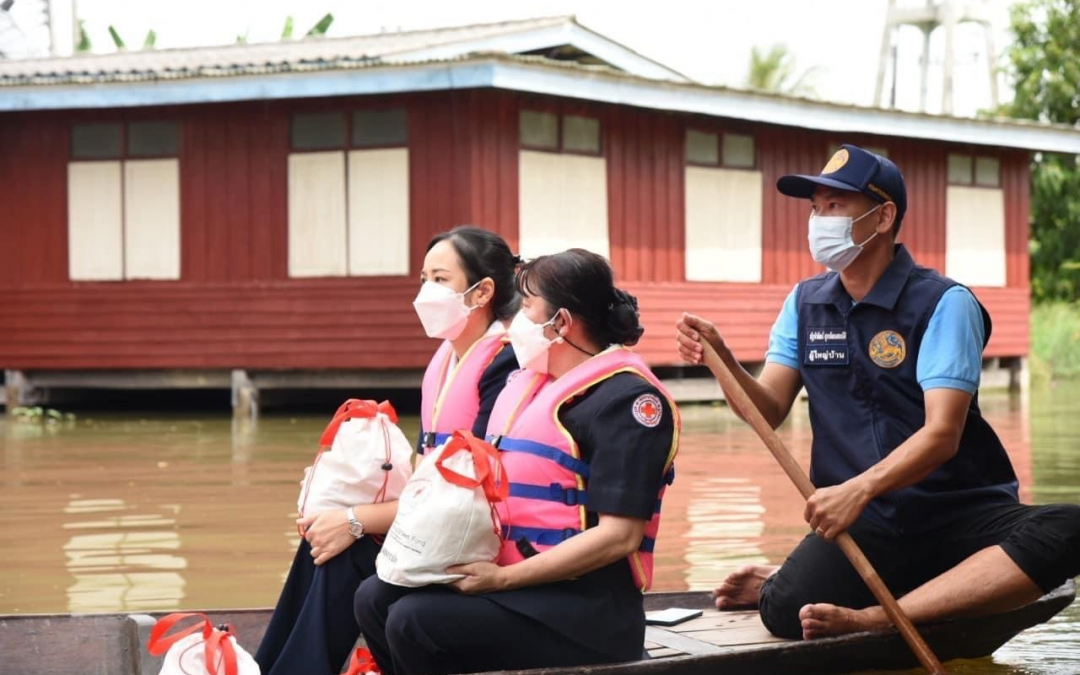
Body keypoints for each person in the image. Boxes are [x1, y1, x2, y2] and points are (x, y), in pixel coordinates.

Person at [676, 144, 1080, 641]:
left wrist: (858, 488)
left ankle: (880, 616)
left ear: (883, 216)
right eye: (816, 208)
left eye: (837, 206)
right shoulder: (804, 304)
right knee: (783, 612)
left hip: (956, 512)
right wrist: (722, 360)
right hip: (865, 524)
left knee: (1068, 528)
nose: (820, 220)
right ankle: (782, 581)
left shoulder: (943, 303)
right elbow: (769, 410)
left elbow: (943, 435)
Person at [354, 249, 680, 675]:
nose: (515, 323)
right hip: (516, 580)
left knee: (415, 621)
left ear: (561, 322)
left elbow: (619, 538)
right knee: (375, 597)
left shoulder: (629, 402)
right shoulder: (529, 385)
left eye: (526, 307)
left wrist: (502, 580)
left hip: (589, 608)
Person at [255, 226, 521, 675]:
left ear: (482, 292)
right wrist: (343, 517)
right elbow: (424, 476)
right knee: (322, 538)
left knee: (345, 547)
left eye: (440, 279)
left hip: (474, 538)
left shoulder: (504, 363)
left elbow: (474, 494)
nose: (425, 292)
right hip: (435, 521)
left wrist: (357, 521)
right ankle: (265, 667)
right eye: (423, 278)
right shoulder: (446, 360)